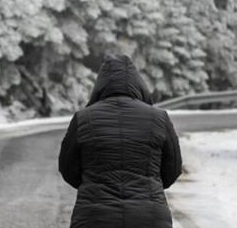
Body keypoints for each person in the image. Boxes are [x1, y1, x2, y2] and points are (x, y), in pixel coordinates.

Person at [58, 54, 182, 228]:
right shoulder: (158, 118)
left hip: (94, 217)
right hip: (149, 217)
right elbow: (173, 168)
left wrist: (92, 184)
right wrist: (150, 184)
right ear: (138, 83)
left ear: (100, 85)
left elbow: (67, 168)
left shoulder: (83, 119)